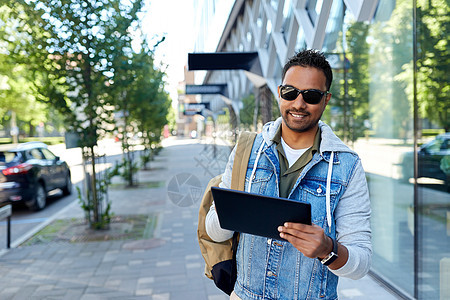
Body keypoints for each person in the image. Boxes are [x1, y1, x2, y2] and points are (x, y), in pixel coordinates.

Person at [205, 49, 372, 300]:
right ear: (280, 92)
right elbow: (213, 231)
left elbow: (361, 262)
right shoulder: (246, 150)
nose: (298, 103)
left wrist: (328, 250)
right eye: (290, 92)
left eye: (311, 96)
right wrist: (231, 213)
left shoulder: (346, 166)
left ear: (326, 99)